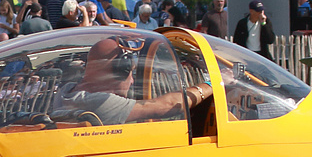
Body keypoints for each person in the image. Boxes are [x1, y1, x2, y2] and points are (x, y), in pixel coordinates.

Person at [51, 37, 213, 125]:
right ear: (118, 71)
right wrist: (213, 84)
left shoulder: (66, 91)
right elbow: (167, 105)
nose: (132, 80)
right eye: (130, 72)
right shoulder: (100, 103)